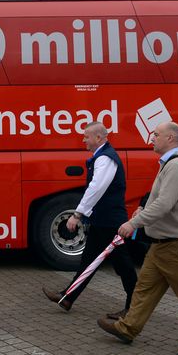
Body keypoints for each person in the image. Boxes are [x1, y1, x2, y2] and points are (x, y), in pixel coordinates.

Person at [96, 121, 178, 355]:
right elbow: (160, 200)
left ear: (171, 139)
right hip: (163, 244)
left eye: (156, 134)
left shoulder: (176, 167)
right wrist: (142, 210)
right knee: (145, 289)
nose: (151, 138)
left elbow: (165, 205)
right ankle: (128, 328)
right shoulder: (169, 165)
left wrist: (134, 223)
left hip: (177, 245)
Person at [42, 121, 138, 320]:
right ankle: (67, 297)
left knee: (124, 265)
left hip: (111, 222)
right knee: (89, 261)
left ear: (99, 138)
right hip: (103, 220)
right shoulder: (102, 157)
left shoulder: (106, 159)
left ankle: (135, 307)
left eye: (86, 136)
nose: (83, 139)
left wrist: (77, 215)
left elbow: (96, 188)